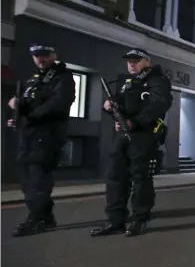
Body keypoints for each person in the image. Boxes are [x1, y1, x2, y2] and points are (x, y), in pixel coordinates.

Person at [91, 48, 172, 237]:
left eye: (136, 60)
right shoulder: (126, 82)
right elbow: (119, 105)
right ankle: (115, 220)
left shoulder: (157, 80)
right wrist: (109, 107)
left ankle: (139, 219)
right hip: (121, 137)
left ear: (147, 62)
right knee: (115, 177)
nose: (131, 64)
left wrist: (135, 122)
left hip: (143, 135)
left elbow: (160, 105)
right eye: (129, 61)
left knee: (140, 178)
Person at [7, 43, 76, 237]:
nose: (40, 59)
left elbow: (58, 103)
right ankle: (45, 217)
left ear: (53, 55)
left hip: (47, 135)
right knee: (28, 179)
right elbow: (26, 104)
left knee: (38, 178)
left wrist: (30, 117)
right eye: (36, 56)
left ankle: (36, 219)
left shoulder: (62, 77)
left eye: (44, 55)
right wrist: (17, 112)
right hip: (28, 134)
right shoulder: (33, 79)